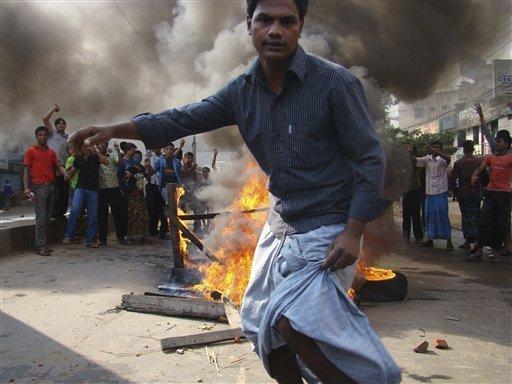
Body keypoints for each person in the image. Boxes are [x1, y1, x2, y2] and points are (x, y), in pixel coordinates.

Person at [69, 0, 401, 382]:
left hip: (328, 226)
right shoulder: (241, 92)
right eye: (265, 20)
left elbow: (370, 159)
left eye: (286, 21)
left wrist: (353, 231)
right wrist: (113, 130)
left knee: (295, 324)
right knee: (262, 326)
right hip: (282, 223)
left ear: (300, 26)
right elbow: (179, 119)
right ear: (249, 25)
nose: (275, 30)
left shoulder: (335, 84)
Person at [24, 126, 68, 256]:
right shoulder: (30, 151)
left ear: (47, 137)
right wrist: (26, 188)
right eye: (40, 135)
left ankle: (42, 244)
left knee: (48, 217)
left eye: (45, 135)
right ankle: (40, 246)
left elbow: (58, 165)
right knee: (41, 216)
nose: (43, 137)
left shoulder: (51, 152)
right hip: (39, 187)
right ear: (37, 137)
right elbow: (26, 170)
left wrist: (65, 173)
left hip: (51, 186)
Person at [469, 130, 512, 262]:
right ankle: (479, 250)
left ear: (507, 144)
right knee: (482, 222)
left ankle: (496, 251)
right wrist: (474, 174)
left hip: (504, 194)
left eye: (499, 141)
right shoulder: (490, 158)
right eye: (496, 141)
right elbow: (479, 169)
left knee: (500, 224)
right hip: (490, 193)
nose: (497, 144)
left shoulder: (510, 158)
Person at [409, 141, 455, 251]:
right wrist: (410, 152)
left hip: (441, 192)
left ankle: (449, 241)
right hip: (429, 192)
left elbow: (448, 158)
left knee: (442, 215)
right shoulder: (427, 159)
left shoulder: (443, 160)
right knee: (428, 217)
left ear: (441, 149)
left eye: (437, 147)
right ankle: (430, 239)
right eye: (433, 147)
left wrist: (437, 152)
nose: (434, 149)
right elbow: (415, 160)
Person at [63, 144, 108, 247]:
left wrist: (96, 151)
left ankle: (91, 240)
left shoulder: (96, 157)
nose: (84, 148)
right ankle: (68, 235)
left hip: (93, 189)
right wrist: (67, 174)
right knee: (75, 210)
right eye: (82, 146)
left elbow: (106, 162)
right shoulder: (78, 159)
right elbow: (73, 171)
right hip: (80, 188)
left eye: (85, 146)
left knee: (92, 215)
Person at [450, 140, 484, 249]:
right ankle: (478, 241)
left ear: (464, 149)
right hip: (476, 192)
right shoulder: (480, 161)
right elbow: (485, 176)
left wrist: (453, 191)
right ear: (473, 148)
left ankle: (468, 241)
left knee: (466, 217)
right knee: (476, 215)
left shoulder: (459, 163)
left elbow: (453, 179)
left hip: (464, 193)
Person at [43, 104, 70, 221]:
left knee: (64, 191)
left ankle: (61, 213)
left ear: (65, 126)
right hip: (52, 166)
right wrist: (53, 109)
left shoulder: (69, 138)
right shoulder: (52, 134)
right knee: (53, 190)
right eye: (59, 123)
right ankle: (52, 213)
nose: (61, 124)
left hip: (64, 166)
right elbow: (45, 119)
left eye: (63, 123)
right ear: (55, 126)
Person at [97, 142, 126, 245]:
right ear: (97, 145)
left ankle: (121, 237)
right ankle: (102, 239)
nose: (103, 146)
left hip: (114, 186)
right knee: (102, 214)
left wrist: (118, 151)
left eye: (105, 144)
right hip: (101, 188)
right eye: (101, 144)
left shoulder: (112, 153)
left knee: (118, 213)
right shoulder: (95, 156)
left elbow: (121, 164)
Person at [125, 150, 151, 243]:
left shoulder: (143, 168)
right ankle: (130, 236)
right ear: (132, 158)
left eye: (139, 157)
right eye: (136, 157)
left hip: (141, 195)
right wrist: (127, 176)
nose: (138, 158)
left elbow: (148, 178)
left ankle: (143, 235)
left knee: (143, 215)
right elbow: (124, 180)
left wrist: (148, 167)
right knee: (132, 215)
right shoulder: (130, 169)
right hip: (132, 195)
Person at [402, 145, 423, 244]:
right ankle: (406, 235)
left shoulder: (416, 160)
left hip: (415, 189)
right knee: (406, 214)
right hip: (406, 190)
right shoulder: (403, 161)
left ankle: (418, 236)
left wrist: (410, 154)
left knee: (415, 214)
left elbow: (414, 161)